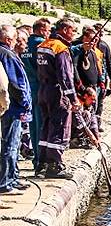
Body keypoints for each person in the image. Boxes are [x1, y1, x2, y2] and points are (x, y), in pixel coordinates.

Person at [36, 17, 80, 179]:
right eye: (73, 30)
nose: (74, 34)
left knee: (46, 126)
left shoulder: (43, 45)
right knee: (60, 126)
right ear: (65, 30)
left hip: (43, 90)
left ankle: (42, 163)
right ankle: (55, 165)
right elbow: (65, 76)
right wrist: (73, 98)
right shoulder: (60, 48)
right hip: (57, 92)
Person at [0, 24, 32, 194]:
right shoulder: (6, 54)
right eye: (15, 39)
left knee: (13, 144)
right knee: (10, 145)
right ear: (8, 39)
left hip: (10, 106)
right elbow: (15, 83)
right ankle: (6, 183)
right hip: (13, 108)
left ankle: (12, 178)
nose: (17, 42)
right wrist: (24, 102)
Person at [20, 18, 50, 170]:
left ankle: (36, 160)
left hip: (27, 87)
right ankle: (41, 160)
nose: (49, 33)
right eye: (47, 30)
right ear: (41, 29)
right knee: (42, 125)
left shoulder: (25, 44)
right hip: (40, 87)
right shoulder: (41, 44)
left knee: (32, 126)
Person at [92, 23, 111, 92]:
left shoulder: (104, 46)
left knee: (101, 93)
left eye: (101, 33)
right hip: (91, 77)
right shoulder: (85, 45)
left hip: (102, 76)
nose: (100, 35)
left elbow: (109, 62)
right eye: (98, 32)